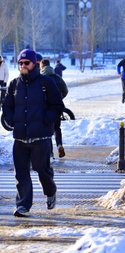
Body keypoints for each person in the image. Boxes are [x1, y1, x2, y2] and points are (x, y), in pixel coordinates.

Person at [2, 49, 64, 217]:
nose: (23, 65)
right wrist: (10, 120)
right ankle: (23, 206)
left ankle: (50, 191)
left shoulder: (46, 83)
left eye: (26, 63)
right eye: (20, 63)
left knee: (42, 171)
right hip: (20, 138)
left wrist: (46, 119)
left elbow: (57, 106)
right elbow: (7, 106)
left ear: (34, 64)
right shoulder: (14, 84)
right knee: (21, 174)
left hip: (40, 138)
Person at [40, 59, 69, 159]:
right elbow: (65, 90)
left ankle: (50, 152)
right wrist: (59, 98)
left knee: (47, 130)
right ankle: (59, 145)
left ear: (42, 67)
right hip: (57, 107)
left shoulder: (40, 78)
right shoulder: (57, 77)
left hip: (45, 108)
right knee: (57, 128)